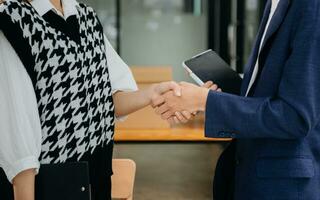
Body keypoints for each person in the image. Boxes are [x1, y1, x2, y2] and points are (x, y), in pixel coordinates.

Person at [0, 0, 213, 199]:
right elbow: (17, 132)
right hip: (47, 185)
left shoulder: (86, 17)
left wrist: (153, 93)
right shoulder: (11, 20)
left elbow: (110, 100)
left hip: (96, 179)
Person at [154, 0, 320, 199]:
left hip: (289, 189)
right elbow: (270, 94)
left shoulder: (317, 5)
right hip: (259, 179)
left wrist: (205, 101)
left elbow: (294, 116)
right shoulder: (275, 4)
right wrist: (219, 95)